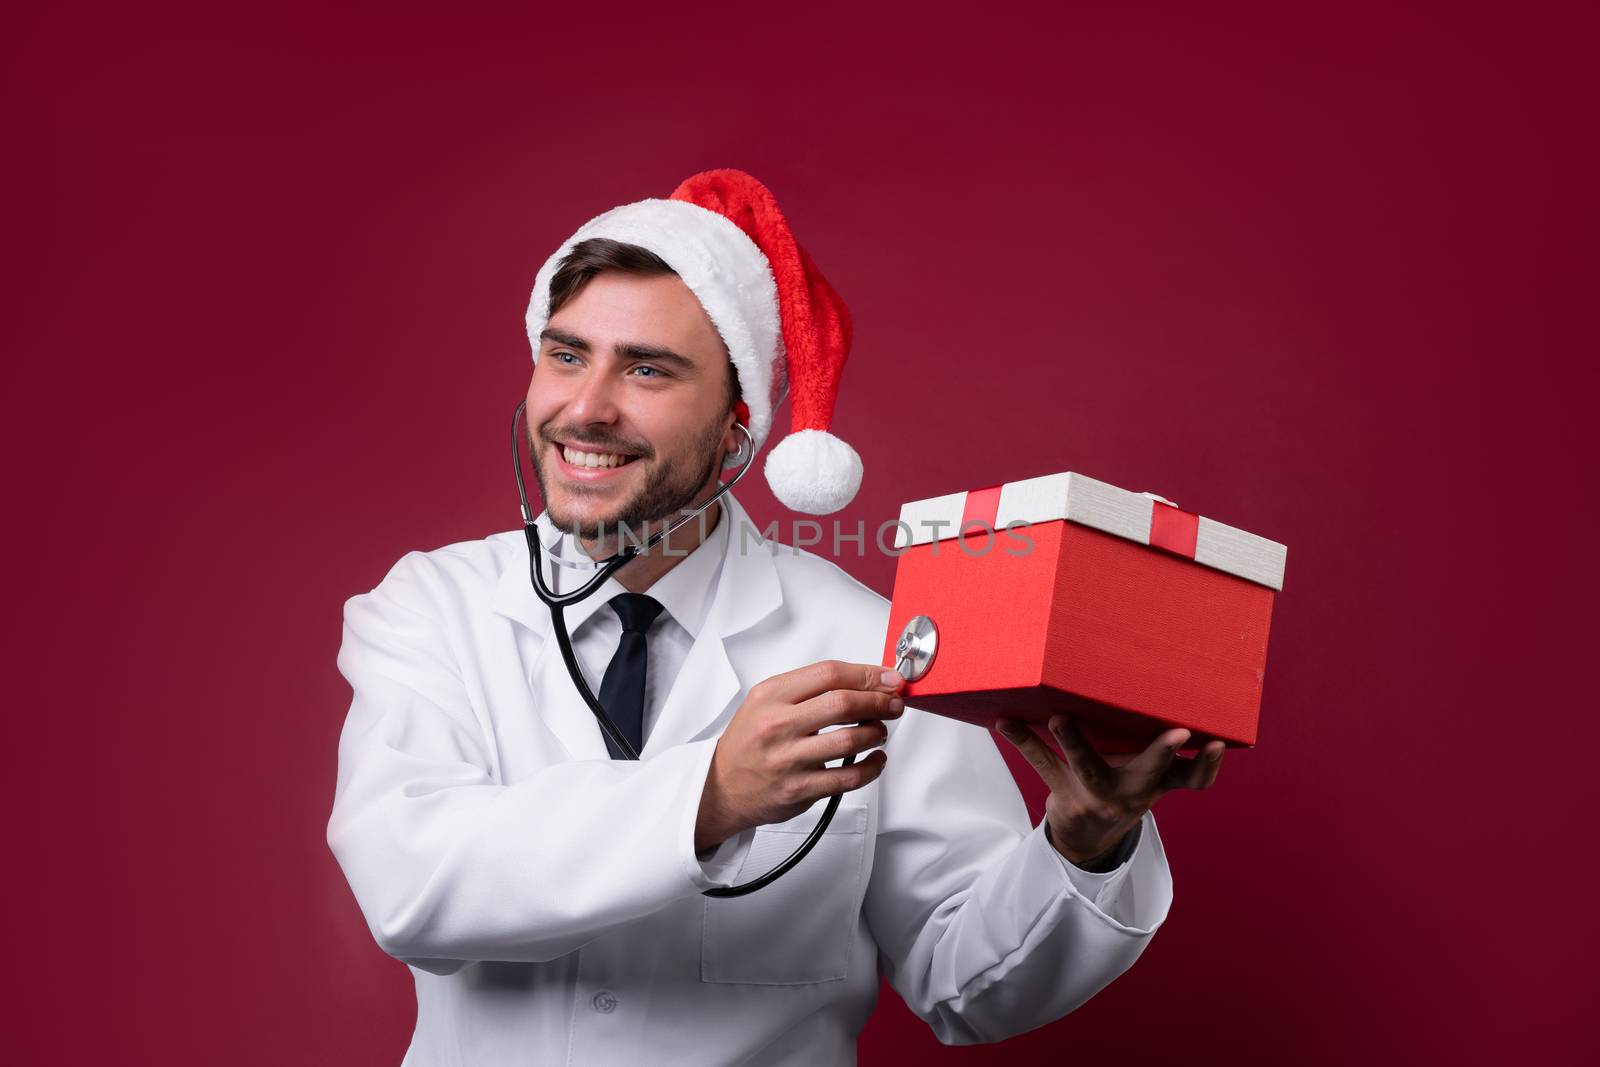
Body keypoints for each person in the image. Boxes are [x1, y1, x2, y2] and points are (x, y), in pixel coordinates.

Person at [327, 169, 1226, 1066]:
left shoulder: (877, 647)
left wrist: (1085, 839)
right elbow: (410, 883)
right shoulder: (429, 609)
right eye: (566, 356)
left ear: (737, 425)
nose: (585, 409)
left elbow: (968, 980)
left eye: (647, 368)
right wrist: (714, 794)